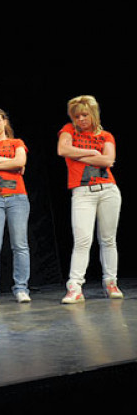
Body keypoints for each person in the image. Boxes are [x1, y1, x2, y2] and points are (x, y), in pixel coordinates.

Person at [57, 95, 123, 303]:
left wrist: (78, 156)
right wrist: (92, 152)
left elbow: (108, 159)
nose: (81, 119)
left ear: (93, 114)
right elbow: (62, 150)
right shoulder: (68, 130)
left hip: (108, 190)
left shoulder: (106, 135)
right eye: (77, 116)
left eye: (85, 115)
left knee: (108, 239)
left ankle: (110, 282)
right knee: (82, 240)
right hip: (82, 192)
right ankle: (75, 286)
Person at [0, 107, 31, 305]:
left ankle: (21, 289)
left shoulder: (16, 142)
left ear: (4, 122)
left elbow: (21, 161)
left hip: (17, 197)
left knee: (20, 245)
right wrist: (12, 164)